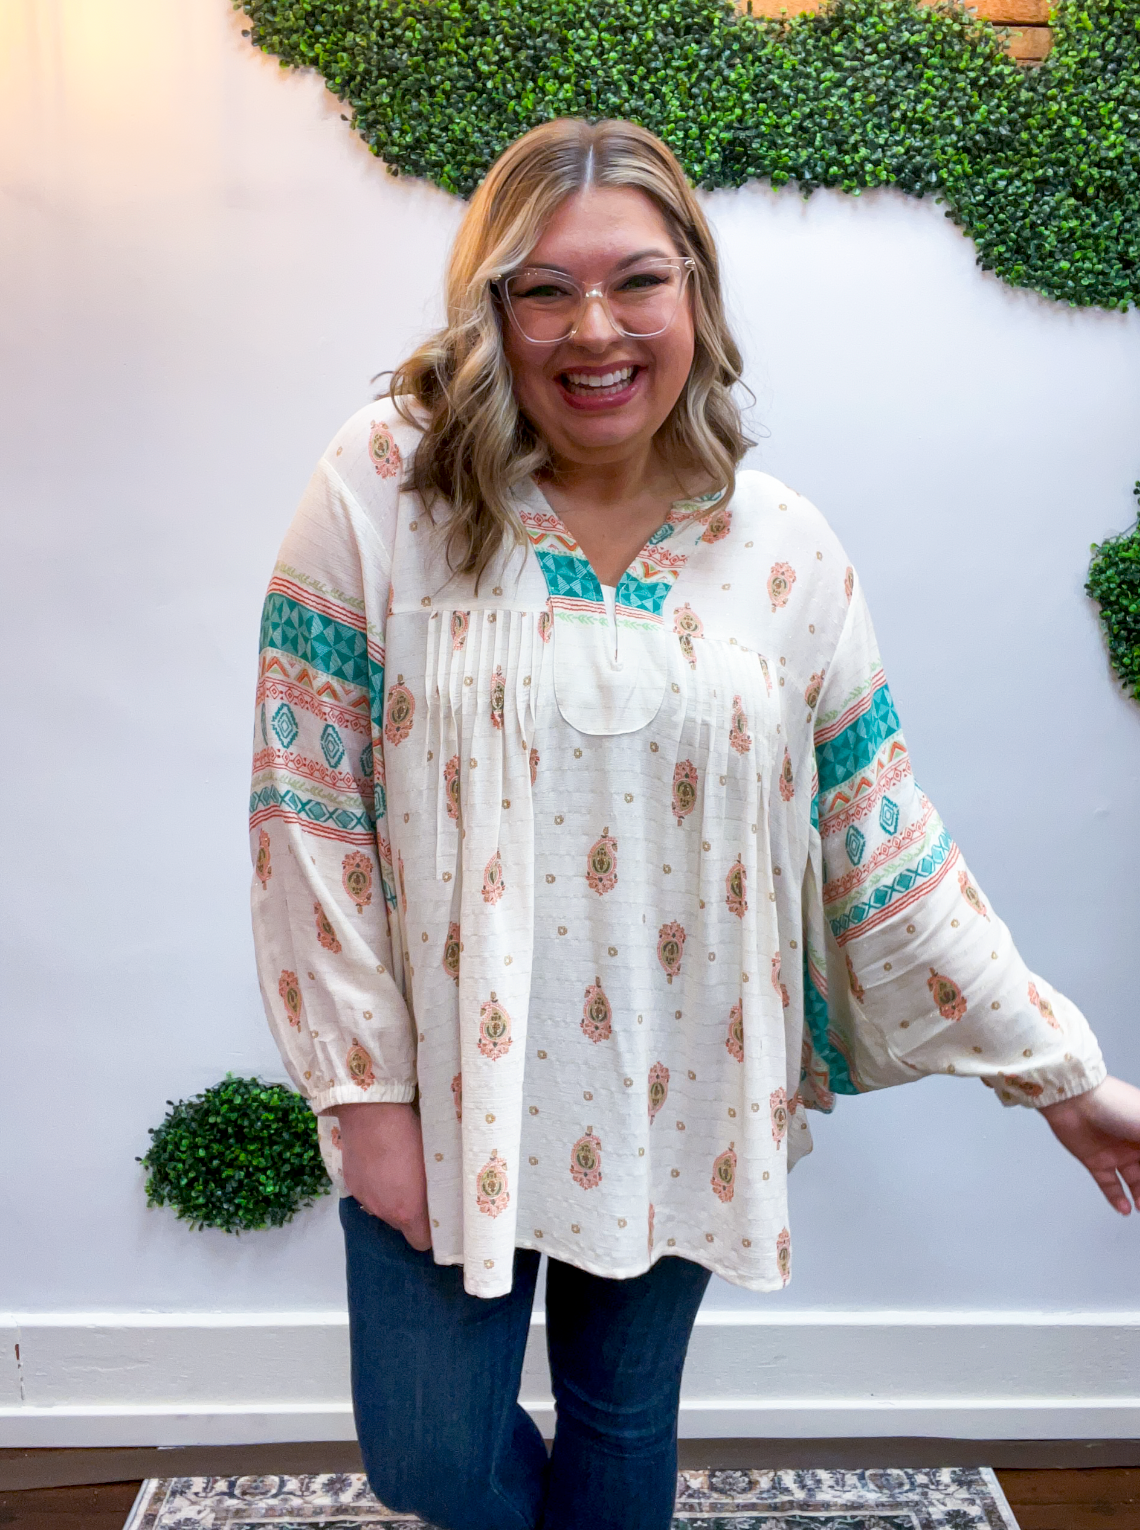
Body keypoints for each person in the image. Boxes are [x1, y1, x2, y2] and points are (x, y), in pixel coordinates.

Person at [249, 117, 1140, 1530]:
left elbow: (883, 843)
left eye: (637, 281)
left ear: (698, 296)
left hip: (685, 1078)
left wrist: (1063, 1077)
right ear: (492, 309)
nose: (593, 329)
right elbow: (308, 804)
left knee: (622, 1422)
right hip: (445, 1079)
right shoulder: (386, 489)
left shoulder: (785, 549)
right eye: (544, 289)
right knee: (428, 1453)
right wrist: (364, 1094)